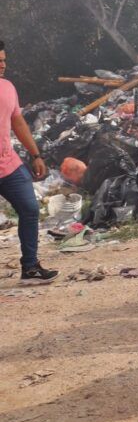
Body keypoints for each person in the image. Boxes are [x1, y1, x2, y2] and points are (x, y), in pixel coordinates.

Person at [0, 41, 59, 285]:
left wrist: (35, 155)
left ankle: (31, 267)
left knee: (30, 209)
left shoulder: (8, 88)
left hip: (8, 164)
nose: (2, 66)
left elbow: (18, 122)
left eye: (3, 60)